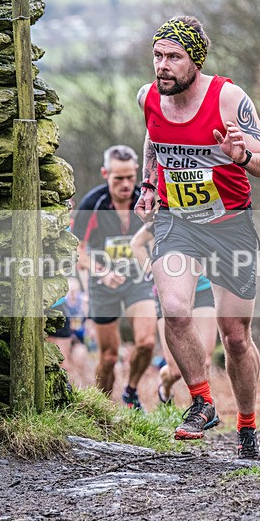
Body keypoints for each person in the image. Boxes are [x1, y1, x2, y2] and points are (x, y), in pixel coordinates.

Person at [135, 16, 260, 460]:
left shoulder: (228, 98)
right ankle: (202, 401)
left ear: (195, 61)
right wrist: (147, 185)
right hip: (177, 221)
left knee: (234, 335)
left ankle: (249, 425)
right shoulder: (148, 96)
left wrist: (242, 156)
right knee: (175, 311)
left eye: (174, 57)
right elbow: (153, 138)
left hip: (230, 223)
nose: (163, 66)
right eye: (158, 56)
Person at [73, 145, 158, 411]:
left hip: (137, 281)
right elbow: (76, 249)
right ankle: (100, 408)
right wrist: (101, 272)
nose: (126, 184)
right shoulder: (93, 204)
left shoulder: (145, 201)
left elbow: (160, 235)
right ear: (105, 174)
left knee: (146, 343)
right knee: (108, 357)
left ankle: (131, 392)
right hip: (103, 283)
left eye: (131, 177)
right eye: (118, 178)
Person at [130, 222, 218, 405]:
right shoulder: (164, 218)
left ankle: (203, 409)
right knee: (176, 370)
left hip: (203, 289)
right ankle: (165, 386)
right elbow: (136, 243)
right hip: (170, 293)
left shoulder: (201, 214)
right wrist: (152, 271)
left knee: (205, 360)